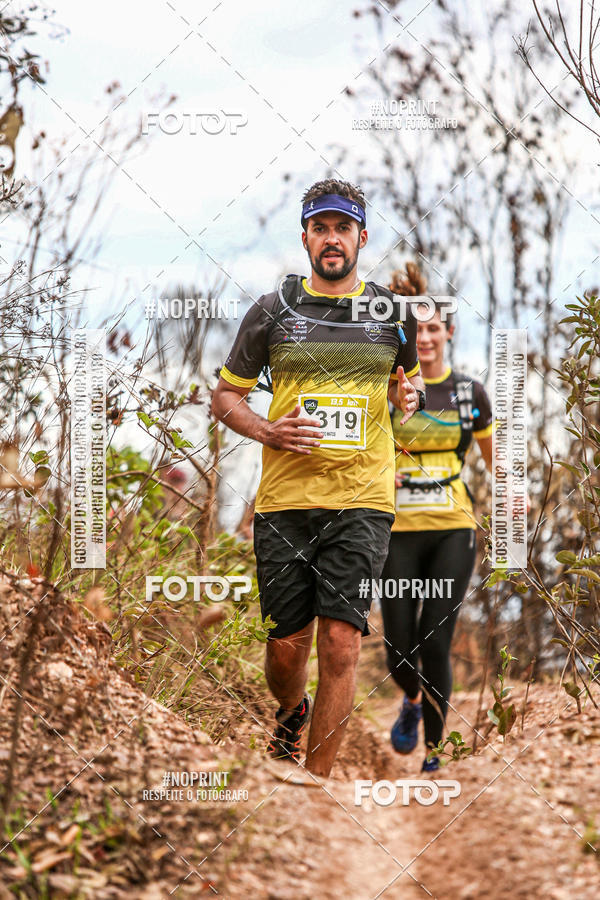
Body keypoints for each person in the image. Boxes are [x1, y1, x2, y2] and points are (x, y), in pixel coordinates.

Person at [211, 179, 424, 778]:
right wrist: (267, 430)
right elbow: (225, 397)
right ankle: (291, 708)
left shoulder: (391, 313)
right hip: (285, 501)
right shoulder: (273, 310)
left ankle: (315, 788)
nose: (332, 239)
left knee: (340, 642)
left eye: (343, 228)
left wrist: (407, 395)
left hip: (363, 499)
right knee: (286, 651)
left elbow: (408, 381)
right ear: (305, 238)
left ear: (362, 237)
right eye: (321, 228)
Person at [380, 262, 493, 773]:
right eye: (416, 330)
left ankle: (435, 752)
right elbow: (363, 449)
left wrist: (515, 497)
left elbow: (497, 461)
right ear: (406, 336)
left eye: (433, 329)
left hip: (453, 529)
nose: (424, 338)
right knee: (399, 649)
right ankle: (411, 700)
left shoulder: (468, 394)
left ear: (448, 332)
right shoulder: (388, 391)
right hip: (396, 531)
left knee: (436, 640)